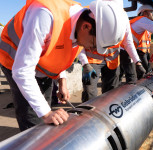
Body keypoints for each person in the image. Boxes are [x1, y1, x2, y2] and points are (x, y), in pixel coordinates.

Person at [0, 0, 128, 131]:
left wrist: (62, 82)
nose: (92, 49)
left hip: (38, 64)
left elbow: (57, 51)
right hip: (14, 60)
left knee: (46, 112)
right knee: (33, 117)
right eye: (94, 44)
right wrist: (46, 113)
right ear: (86, 27)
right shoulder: (44, 16)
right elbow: (22, 71)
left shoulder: (77, 26)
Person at [78, 5, 146, 102]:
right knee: (90, 91)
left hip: (112, 61)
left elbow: (128, 42)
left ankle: (107, 114)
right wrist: (85, 64)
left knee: (111, 91)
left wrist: (137, 62)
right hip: (91, 61)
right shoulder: (90, 11)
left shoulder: (122, 15)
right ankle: (86, 114)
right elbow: (78, 43)